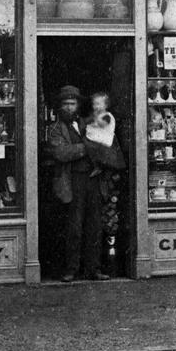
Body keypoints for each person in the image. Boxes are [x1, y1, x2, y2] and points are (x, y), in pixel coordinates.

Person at [44, 85, 109, 283]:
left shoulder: (86, 124)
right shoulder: (55, 129)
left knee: (95, 226)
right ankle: (71, 269)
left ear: (78, 105)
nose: (69, 108)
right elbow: (61, 153)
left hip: (93, 179)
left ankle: (94, 269)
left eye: (72, 104)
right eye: (65, 104)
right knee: (74, 227)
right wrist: (88, 147)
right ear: (59, 107)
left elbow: (104, 145)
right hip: (72, 181)